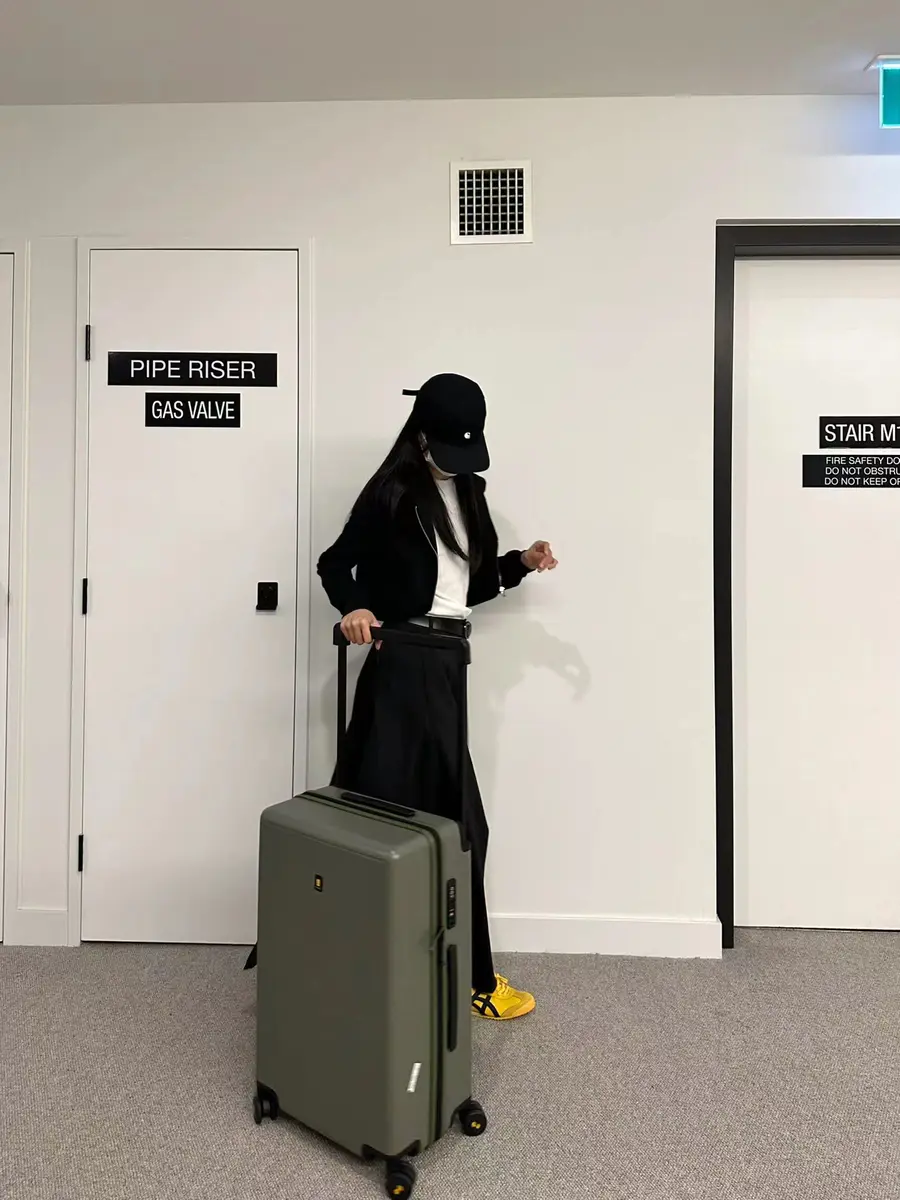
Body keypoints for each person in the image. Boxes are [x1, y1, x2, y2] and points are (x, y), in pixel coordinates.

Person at [317, 372, 557, 1021]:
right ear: (422, 435)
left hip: (448, 662)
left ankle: (429, 974)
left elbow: (467, 588)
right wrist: (354, 607)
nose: (457, 459)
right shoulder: (392, 491)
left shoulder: (470, 492)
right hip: (402, 660)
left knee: (427, 824)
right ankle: (466, 980)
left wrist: (519, 563)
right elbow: (335, 563)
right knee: (437, 824)